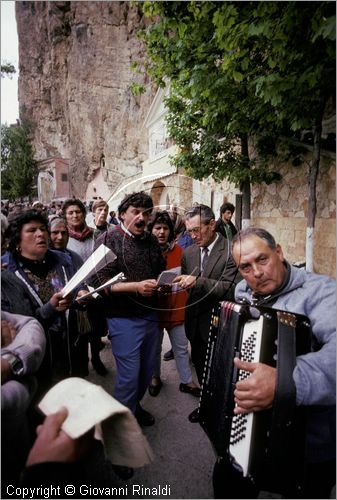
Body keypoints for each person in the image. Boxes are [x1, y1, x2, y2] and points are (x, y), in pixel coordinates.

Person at [212, 227, 336, 499]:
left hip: (308, 446)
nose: (256, 273)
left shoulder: (322, 292)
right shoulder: (243, 292)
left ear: (278, 252)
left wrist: (284, 382)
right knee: (226, 484)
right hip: (250, 428)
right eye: (245, 267)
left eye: (263, 259)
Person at [91, 192, 166, 423]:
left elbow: (158, 271)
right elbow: (98, 284)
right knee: (129, 377)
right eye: (136, 212)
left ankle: (134, 407)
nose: (142, 218)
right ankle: (120, 431)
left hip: (151, 317)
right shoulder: (107, 239)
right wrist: (135, 287)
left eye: (146, 213)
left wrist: (163, 284)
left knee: (145, 373)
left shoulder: (152, 241)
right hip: (123, 319)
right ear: (123, 214)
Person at [4, 209, 89, 394]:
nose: (40, 234)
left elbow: (75, 287)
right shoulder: (8, 276)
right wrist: (50, 308)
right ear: (17, 240)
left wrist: (80, 294)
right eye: (32, 230)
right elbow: (19, 326)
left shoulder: (63, 261)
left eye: (43, 228)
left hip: (70, 349)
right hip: (39, 360)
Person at [173, 204, 239, 423]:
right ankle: (205, 405)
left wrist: (197, 281)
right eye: (189, 231)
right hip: (194, 323)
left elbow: (229, 288)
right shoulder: (189, 252)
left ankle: (224, 412)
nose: (192, 236)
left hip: (221, 324)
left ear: (212, 224)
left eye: (196, 230)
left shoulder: (232, 250)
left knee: (223, 372)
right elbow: (187, 285)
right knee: (201, 366)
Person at [147, 211, 200, 397]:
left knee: (181, 347)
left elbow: (186, 277)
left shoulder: (180, 252)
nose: (161, 232)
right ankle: (154, 377)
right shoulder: (145, 252)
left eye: (165, 228)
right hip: (154, 311)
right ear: (150, 229)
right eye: (157, 228)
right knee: (154, 348)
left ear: (171, 231)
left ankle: (187, 381)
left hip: (177, 308)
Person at [63, 199, 107, 375]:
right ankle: (81, 366)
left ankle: (96, 358)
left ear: (84, 213)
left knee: (96, 329)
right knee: (79, 332)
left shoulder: (95, 235)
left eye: (78, 212)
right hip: (73, 290)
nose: (75, 215)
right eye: (70, 213)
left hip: (95, 288)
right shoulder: (63, 238)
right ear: (65, 216)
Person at [1, 311, 46, 486]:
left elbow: (30, 324)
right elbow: (15, 393)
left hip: (19, 438)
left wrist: (9, 360)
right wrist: (23, 378)